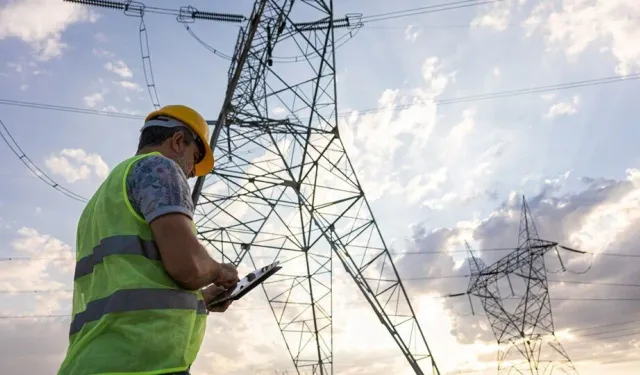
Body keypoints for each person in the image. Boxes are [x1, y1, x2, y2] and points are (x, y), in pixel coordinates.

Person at [57, 104, 239, 375]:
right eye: (194, 157)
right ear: (178, 141)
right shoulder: (160, 168)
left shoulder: (102, 198)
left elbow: (131, 282)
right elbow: (187, 267)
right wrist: (219, 270)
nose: (191, 173)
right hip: (140, 363)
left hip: (95, 360)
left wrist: (200, 299)